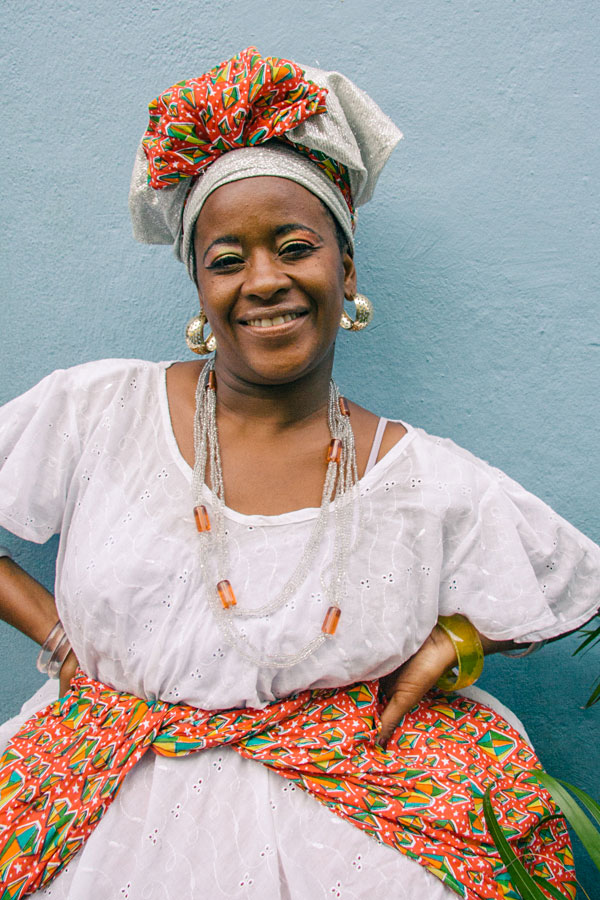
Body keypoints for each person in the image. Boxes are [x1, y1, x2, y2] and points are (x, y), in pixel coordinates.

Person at [0, 47, 597, 899]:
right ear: (200, 291)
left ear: (345, 269)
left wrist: (454, 643)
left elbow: (574, 580)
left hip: (362, 803)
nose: (266, 280)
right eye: (227, 259)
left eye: (295, 246)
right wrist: (58, 635)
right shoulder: (100, 412)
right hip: (107, 792)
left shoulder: (421, 478)